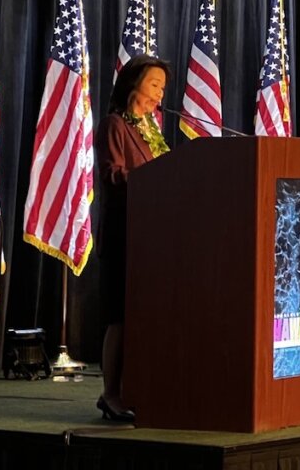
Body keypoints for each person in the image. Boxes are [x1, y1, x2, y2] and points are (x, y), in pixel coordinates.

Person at [94, 54, 170, 422]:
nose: (160, 93)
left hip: (154, 238)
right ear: (133, 84)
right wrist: (154, 183)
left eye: (162, 87)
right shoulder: (114, 126)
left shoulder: (152, 131)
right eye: (155, 84)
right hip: (124, 234)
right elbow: (112, 175)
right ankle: (110, 394)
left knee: (147, 316)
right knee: (120, 317)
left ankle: (142, 388)